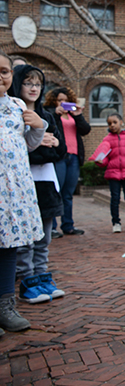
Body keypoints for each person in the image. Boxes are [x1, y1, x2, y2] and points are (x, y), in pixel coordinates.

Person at [11, 64, 67, 303]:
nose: (33, 88)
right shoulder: (12, 112)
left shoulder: (47, 116)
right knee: (25, 238)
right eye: (28, 83)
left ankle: (42, 276)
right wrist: (40, 145)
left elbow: (61, 151)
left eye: (37, 84)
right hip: (21, 182)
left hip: (46, 181)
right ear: (18, 84)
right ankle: (27, 280)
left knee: (44, 235)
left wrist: (50, 145)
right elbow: (17, 153)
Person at [0, 51, 47, 335]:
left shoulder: (17, 105)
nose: (0, 76)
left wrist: (38, 127)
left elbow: (29, 144)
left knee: (9, 247)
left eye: (4, 71)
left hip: (13, 190)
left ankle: (5, 307)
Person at [44, 87, 91, 237]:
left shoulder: (73, 115)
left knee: (68, 194)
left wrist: (78, 115)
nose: (63, 103)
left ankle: (68, 225)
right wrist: (56, 115)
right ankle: (52, 227)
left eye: (65, 100)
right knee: (56, 191)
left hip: (74, 157)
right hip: (60, 157)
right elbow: (49, 129)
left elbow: (85, 130)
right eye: (59, 100)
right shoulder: (50, 114)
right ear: (54, 101)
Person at [93, 113, 125, 233]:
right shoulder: (106, 140)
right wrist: (100, 161)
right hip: (113, 174)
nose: (112, 125)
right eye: (109, 123)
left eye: (115, 122)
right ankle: (116, 222)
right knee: (115, 198)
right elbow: (104, 157)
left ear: (121, 122)